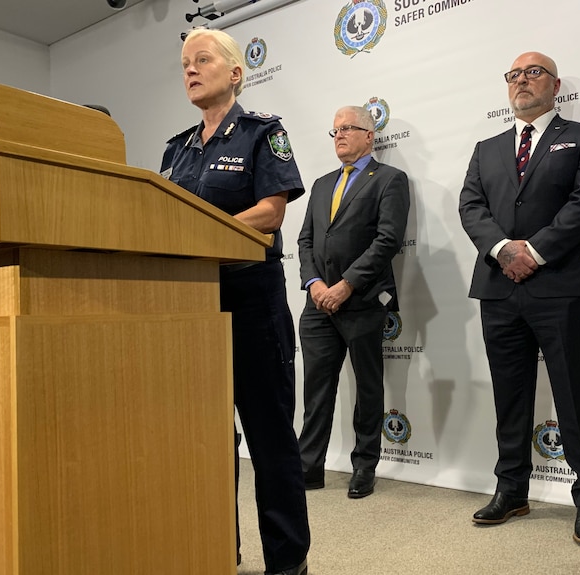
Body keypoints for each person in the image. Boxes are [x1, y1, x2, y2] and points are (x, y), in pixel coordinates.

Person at [160, 28, 310, 575]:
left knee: (269, 441)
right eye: (184, 64)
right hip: (193, 309)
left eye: (202, 60)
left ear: (235, 72)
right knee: (204, 439)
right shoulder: (175, 149)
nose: (191, 71)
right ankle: (220, 548)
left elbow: (271, 212)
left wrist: (197, 236)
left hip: (251, 305)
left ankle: (288, 562)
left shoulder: (261, 134)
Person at [458, 51, 580, 546]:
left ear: (555, 84)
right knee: (510, 394)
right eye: (514, 75)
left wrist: (537, 252)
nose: (522, 80)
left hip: (560, 283)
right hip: (499, 287)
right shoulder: (487, 148)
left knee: (573, 393)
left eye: (533, 72)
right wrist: (504, 250)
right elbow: (471, 206)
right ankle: (512, 490)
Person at [296, 105, 410, 499]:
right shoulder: (322, 183)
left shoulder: (390, 180)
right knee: (316, 388)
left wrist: (345, 285)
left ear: (369, 135)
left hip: (361, 300)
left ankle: (365, 465)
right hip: (317, 304)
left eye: (348, 128)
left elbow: (387, 240)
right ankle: (308, 467)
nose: (340, 135)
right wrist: (314, 284)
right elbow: (305, 240)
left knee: (367, 386)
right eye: (335, 131)